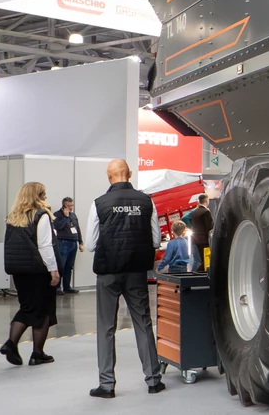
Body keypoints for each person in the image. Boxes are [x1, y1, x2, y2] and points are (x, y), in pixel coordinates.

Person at [85, 159, 163, 398]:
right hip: (136, 272)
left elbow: (90, 244)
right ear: (129, 174)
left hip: (108, 273)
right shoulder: (147, 201)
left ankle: (106, 385)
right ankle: (153, 380)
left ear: (109, 176)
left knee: (106, 327)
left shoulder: (99, 203)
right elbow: (156, 240)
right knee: (143, 323)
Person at [0, 183, 60, 367]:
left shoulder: (13, 217)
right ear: (37, 196)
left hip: (19, 270)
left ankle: (14, 345)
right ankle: (35, 352)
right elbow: (45, 245)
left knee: (27, 306)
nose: (45, 197)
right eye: (43, 194)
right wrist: (53, 269)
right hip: (38, 270)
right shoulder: (41, 216)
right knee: (44, 310)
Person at [52, 197, 82, 294]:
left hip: (73, 242)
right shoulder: (57, 215)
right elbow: (57, 227)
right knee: (61, 265)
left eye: (72, 205)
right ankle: (57, 287)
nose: (71, 208)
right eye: (69, 206)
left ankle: (67, 286)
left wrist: (80, 242)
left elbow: (77, 228)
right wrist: (65, 217)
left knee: (69, 266)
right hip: (63, 242)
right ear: (64, 206)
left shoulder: (73, 215)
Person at [186, 194, 212, 273]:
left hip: (197, 240)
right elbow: (209, 227)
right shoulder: (205, 212)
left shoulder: (195, 212)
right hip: (204, 240)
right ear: (206, 201)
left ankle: (198, 273)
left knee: (201, 259)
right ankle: (198, 273)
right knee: (206, 259)